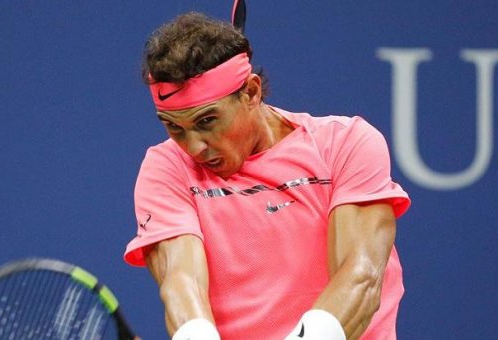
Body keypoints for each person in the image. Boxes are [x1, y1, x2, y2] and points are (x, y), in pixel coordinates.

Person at [123, 10, 410, 340]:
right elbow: (181, 282)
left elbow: (360, 278)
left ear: (251, 92)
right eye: (174, 127)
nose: (194, 148)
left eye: (207, 122)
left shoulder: (344, 144)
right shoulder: (166, 168)